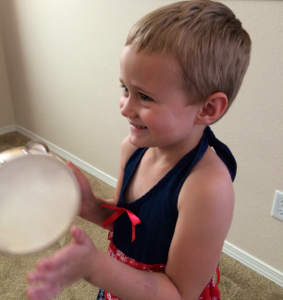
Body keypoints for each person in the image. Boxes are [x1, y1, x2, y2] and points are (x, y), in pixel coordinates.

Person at [26, 1, 251, 299]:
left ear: (207, 108)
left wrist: (98, 268)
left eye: (144, 96)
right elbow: (126, 222)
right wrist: (90, 205)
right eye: (125, 89)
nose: (125, 108)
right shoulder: (133, 148)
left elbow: (181, 293)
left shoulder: (208, 188)